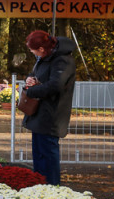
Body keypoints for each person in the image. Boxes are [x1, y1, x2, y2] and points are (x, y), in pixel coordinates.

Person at [22, 30, 76, 185]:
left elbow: (55, 85)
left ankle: (52, 186)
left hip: (52, 114)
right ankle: (40, 184)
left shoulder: (62, 61)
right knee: (39, 154)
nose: (32, 53)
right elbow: (35, 74)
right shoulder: (44, 59)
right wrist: (30, 80)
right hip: (39, 113)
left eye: (32, 50)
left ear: (41, 49)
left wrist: (31, 91)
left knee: (48, 154)